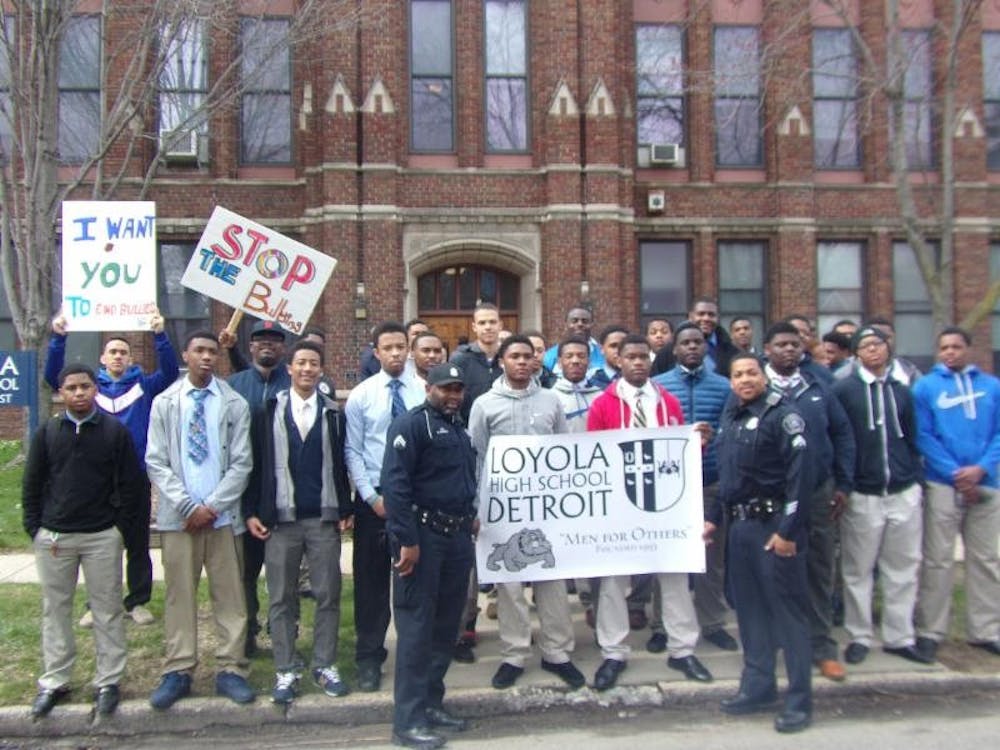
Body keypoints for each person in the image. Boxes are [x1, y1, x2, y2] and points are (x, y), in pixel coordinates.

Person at [587, 334, 712, 690]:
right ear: (619, 361)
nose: (638, 362)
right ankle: (613, 652)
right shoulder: (603, 404)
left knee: (673, 575)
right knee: (613, 580)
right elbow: (591, 455)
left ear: (651, 360)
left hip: (664, 504)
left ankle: (682, 648)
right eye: (631, 357)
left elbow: (679, 455)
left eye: (644, 356)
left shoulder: (667, 401)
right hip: (619, 505)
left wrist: (698, 445)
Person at [23, 363, 146, 718]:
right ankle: (55, 680)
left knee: (107, 609)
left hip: (101, 536)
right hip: (55, 536)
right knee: (56, 610)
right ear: (61, 392)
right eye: (72, 388)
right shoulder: (48, 433)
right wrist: (36, 528)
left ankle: (108, 680)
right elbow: (32, 483)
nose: (79, 393)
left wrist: (118, 529)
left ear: (96, 390)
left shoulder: (114, 432)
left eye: (85, 386)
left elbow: (131, 485)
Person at [43, 310, 179, 627]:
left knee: (137, 543)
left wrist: (160, 335)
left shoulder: (144, 386)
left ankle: (137, 602)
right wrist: (58, 338)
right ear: (103, 359)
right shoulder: (91, 388)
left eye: (123, 352)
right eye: (113, 352)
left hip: (134, 477)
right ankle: (97, 604)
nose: (118, 356)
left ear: (130, 359)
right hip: (96, 479)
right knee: (98, 546)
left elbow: (170, 373)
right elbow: (53, 377)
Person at [146, 331, 255, 709]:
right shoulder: (165, 403)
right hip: (179, 520)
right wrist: (187, 507)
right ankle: (178, 669)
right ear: (186, 355)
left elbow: (242, 462)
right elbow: (156, 460)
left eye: (212, 351)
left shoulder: (234, 403)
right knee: (180, 595)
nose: (207, 357)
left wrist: (212, 506)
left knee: (230, 596)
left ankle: (231, 668)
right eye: (199, 351)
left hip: (223, 519)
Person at [469, 335, 584, 691]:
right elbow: (476, 457)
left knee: (552, 579)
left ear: (536, 361)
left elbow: (564, 452)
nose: (521, 361)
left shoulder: (551, 401)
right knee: (510, 584)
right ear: (502, 361)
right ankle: (514, 654)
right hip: (502, 508)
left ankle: (557, 652)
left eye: (527, 356)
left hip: (546, 508)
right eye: (514, 356)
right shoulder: (484, 405)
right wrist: (477, 505)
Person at [244, 341, 354, 704]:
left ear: (321, 370)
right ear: (289, 368)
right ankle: (285, 668)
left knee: (328, 594)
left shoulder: (333, 413)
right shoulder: (267, 411)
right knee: (281, 596)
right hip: (280, 520)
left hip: (322, 518)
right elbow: (256, 464)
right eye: (301, 363)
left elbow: (341, 463)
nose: (307, 369)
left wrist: (344, 507)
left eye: (314, 363)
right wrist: (252, 511)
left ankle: (324, 664)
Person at [711, 352, 813, 733]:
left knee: (788, 617)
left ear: (764, 376)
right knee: (750, 612)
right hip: (740, 528)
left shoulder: (783, 416)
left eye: (751, 373)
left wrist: (788, 531)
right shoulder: (732, 417)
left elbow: (801, 478)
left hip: (774, 528)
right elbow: (729, 478)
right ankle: (758, 686)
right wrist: (714, 517)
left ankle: (799, 701)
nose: (744, 380)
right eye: (737, 375)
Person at [382, 363, 479, 750]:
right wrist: (406, 539)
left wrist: (469, 515)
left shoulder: (457, 427)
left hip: (456, 536)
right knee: (417, 630)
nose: (453, 396)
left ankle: (431, 705)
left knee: (445, 627)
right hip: (422, 537)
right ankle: (407, 722)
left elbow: (459, 478)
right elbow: (395, 485)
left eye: (458, 389)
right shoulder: (411, 425)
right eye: (446, 389)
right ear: (429, 388)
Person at [832, 326, 932, 666]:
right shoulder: (844, 390)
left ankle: (899, 636)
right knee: (858, 570)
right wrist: (845, 484)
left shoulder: (902, 390)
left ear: (888, 348)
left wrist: (916, 478)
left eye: (878, 344)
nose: (873, 350)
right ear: (856, 354)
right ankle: (859, 635)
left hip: (903, 490)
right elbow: (840, 439)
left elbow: (913, 438)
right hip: (863, 493)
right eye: (865, 346)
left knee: (902, 567)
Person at [763, 322, 855, 682]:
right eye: (781, 344)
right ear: (767, 349)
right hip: (772, 497)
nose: (790, 349)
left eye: (795, 344)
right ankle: (774, 644)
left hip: (817, 492)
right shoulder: (753, 386)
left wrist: (842, 483)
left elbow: (842, 434)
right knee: (772, 572)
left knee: (819, 568)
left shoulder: (818, 386)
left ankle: (822, 646)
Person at [345, 321, 426, 691]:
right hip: (374, 501)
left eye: (400, 347)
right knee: (372, 583)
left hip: (415, 499)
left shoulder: (423, 391)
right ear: (376, 352)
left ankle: (414, 658)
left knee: (414, 581)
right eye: (388, 348)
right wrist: (371, 497)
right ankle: (369, 657)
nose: (395, 353)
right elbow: (353, 450)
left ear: (408, 350)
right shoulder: (361, 396)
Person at [913, 327, 1000, 659]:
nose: (950, 352)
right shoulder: (926, 387)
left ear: (969, 349)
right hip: (942, 483)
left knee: (986, 559)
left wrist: (981, 469)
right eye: (945, 347)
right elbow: (923, 435)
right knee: (937, 559)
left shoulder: (991, 387)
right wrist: (955, 473)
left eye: (956, 346)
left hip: (986, 482)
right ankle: (931, 630)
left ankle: (985, 630)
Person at [652, 322, 737, 654]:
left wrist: (714, 439)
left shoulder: (724, 386)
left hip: (710, 480)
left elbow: (730, 430)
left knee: (711, 560)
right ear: (674, 349)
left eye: (697, 342)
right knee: (666, 558)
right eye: (685, 342)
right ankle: (661, 625)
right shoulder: (658, 386)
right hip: (669, 486)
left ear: (705, 347)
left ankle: (712, 622)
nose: (691, 347)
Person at [226, 319, 292, 657]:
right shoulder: (233, 386)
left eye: (274, 340)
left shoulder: (294, 384)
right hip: (245, 491)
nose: (267, 344)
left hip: (284, 490)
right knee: (245, 572)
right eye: (260, 339)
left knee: (284, 574)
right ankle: (247, 631)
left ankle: (284, 633)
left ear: (283, 347)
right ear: (250, 346)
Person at [652, 298, 739, 377]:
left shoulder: (732, 352)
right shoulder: (668, 352)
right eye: (701, 314)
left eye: (711, 315)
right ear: (690, 316)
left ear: (718, 317)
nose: (706, 318)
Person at [449, 302, 503, 424]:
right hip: (468, 427)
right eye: (482, 323)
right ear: (474, 327)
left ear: (500, 325)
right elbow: (451, 396)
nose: (488, 327)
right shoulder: (460, 359)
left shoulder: (509, 358)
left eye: (492, 322)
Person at [541, 305, 606, 376]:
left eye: (585, 321)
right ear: (566, 324)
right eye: (574, 321)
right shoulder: (550, 355)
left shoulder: (603, 353)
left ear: (592, 324)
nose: (580, 324)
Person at [785, 315, 833, 384]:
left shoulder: (821, 373)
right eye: (796, 331)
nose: (802, 336)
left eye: (806, 333)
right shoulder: (768, 370)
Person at [589, 325, 628, 390]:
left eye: (623, 346)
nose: (618, 350)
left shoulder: (639, 382)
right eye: (613, 346)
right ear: (601, 349)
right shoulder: (592, 384)